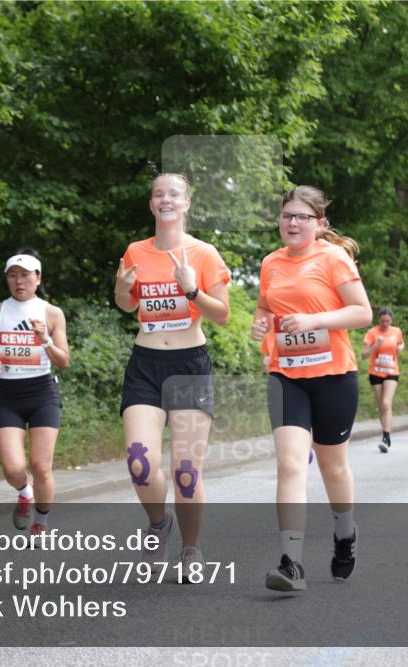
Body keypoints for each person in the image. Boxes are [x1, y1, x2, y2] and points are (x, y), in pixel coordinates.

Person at [252, 185, 372, 592]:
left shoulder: (333, 258)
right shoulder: (270, 263)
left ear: (319, 224)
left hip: (333, 376)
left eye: (302, 217)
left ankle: (345, 533)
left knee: (332, 467)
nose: (293, 223)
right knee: (289, 464)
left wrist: (314, 321)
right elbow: (265, 307)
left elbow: (362, 312)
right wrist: (260, 323)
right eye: (287, 215)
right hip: (286, 375)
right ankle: (291, 563)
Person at [114, 173, 231, 579]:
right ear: (151, 204)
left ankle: (191, 549)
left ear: (186, 204)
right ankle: (159, 523)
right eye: (158, 194)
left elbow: (222, 314)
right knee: (139, 463)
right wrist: (122, 288)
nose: (166, 200)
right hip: (145, 365)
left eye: (174, 194)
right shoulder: (135, 251)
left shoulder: (204, 253)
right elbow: (127, 305)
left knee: (186, 471)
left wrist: (192, 290)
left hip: (189, 366)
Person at [0, 250, 70, 537]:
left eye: (25, 275)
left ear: (38, 278)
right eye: (13, 275)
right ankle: (25, 492)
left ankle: (41, 522)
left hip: (43, 394)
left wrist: (45, 340)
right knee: (13, 468)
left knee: (41, 467)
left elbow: (64, 361)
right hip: (8, 396)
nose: (19, 281)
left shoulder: (52, 313)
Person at [363, 307, 404, 453]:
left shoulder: (396, 331)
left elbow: (401, 343)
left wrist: (401, 348)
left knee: (386, 403)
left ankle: (386, 437)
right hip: (375, 372)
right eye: (382, 321)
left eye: (388, 321)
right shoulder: (372, 333)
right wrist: (376, 345)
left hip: (391, 372)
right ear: (378, 320)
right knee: (381, 406)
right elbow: (364, 355)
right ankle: (384, 433)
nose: (385, 324)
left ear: (391, 319)